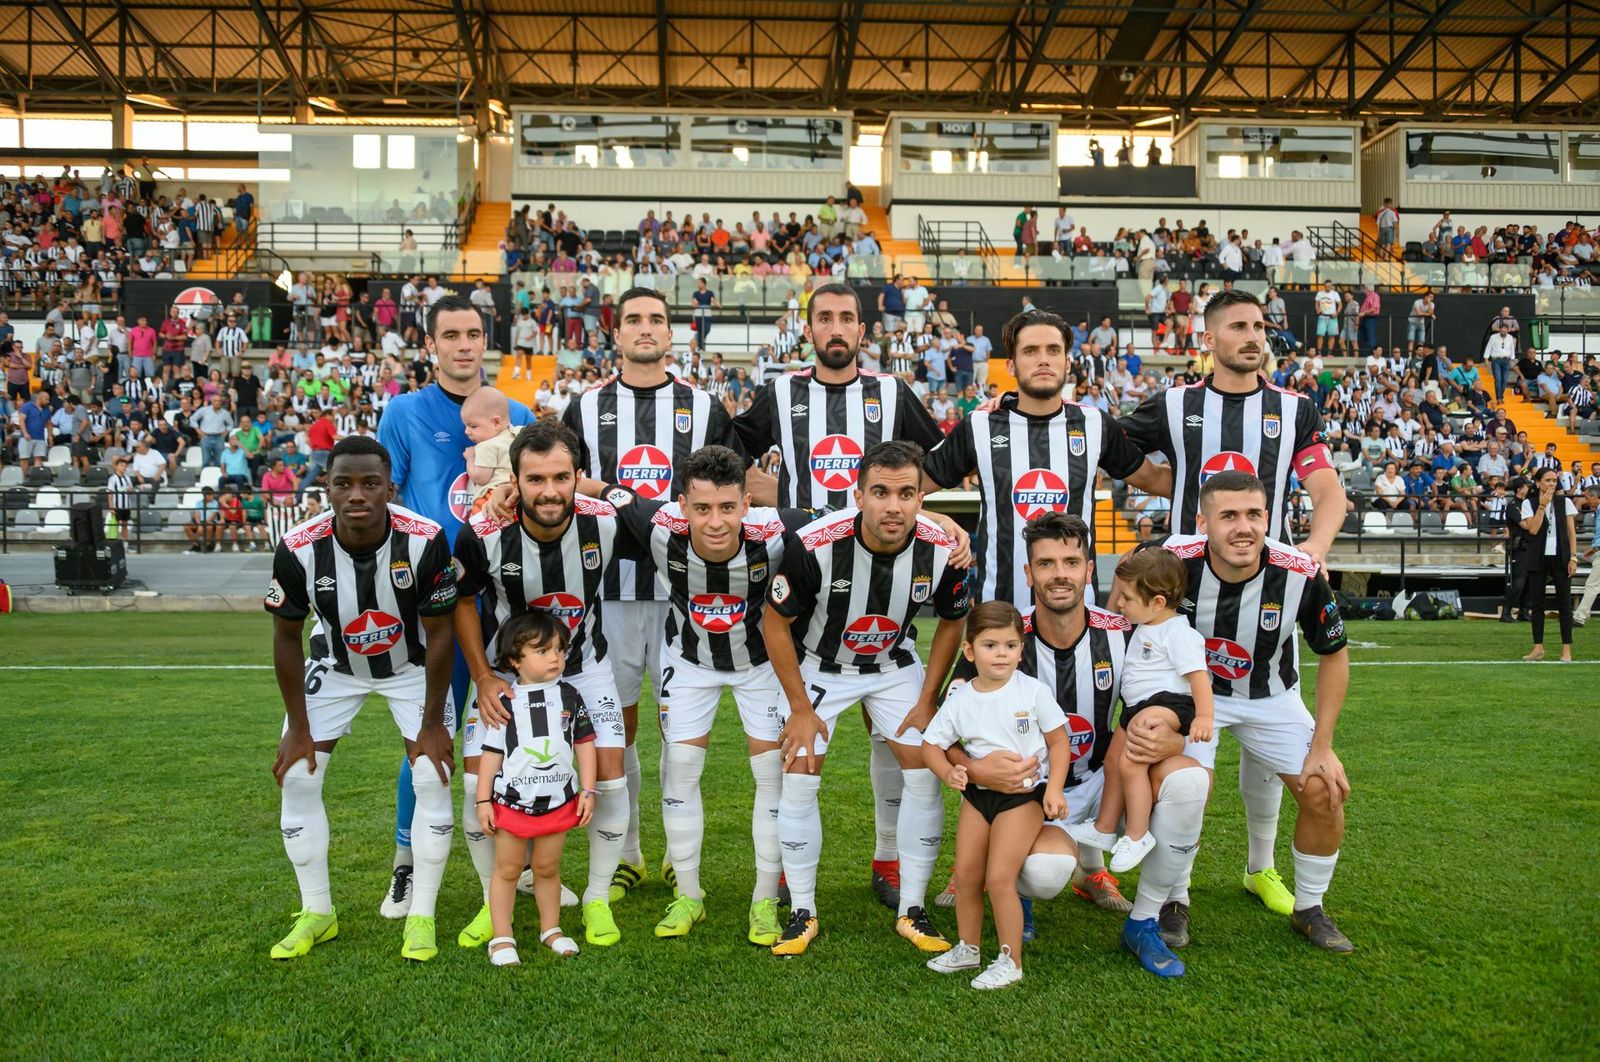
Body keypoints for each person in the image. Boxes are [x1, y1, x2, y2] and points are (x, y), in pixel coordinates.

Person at [1119, 289, 1342, 920]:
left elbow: (1327, 491)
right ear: (1209, 338)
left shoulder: (1293, 408)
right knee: (1187, 778)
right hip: (1190, 582)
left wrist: (1316, 548)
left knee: (1269, 757)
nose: (1254, 335)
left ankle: (1263, 869)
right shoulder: (1176, 403)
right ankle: (1175, 894)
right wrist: (1162, 481)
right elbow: (1111, 445)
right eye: (1239, 327)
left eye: (1259, 326)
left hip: (1269, 585)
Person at [734, 282, 949, 909]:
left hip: (884, 570)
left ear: (863, 331)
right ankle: (783, 866)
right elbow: (731, 453)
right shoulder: (780, 392)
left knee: (893, 735)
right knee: (797, 745)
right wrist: (775, 500)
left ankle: (888, 858)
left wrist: (923, 516)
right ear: (809, 329)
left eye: (847, 319)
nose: (836, 327)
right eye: (824, 317)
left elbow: (939, 459)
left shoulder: (890, 392)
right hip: (806, 568)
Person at [578, 444, 821, 945]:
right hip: (689, 663)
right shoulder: (658, 524)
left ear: (747, 504)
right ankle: (688, 894)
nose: (715, 521)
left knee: (770, 777)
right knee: (682, 771)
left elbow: (858, 515)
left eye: (728, 508)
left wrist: (941, 522)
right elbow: (601, 490)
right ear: (682, 505)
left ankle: (762, 901)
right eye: (702, 508)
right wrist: (504, 491)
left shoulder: (779, 527)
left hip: (760, 667)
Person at [1121, 470, 1353, 979]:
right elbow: (1122, 616)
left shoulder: (1299, 573)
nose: (1243, 527)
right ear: (1203, 522)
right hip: (1190, 698)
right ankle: (1172, 900)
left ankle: (1309, 907)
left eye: (1254, 514)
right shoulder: (1170, 562)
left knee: (1324, 789)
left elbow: (1334, 656)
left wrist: (1323, 744)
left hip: (1271, 696)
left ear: (1269, 518)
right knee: (1184, 788)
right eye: (1228, 516)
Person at [559, 286, 740, 905]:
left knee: (676, 728)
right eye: (633, 319)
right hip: (604, 592)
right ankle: (629, 850)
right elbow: (562, 489)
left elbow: (732, 492)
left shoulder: (704, 406)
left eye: (656, 320)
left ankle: (674, 854)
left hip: (680, 594)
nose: (645, 328)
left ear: (673, 333)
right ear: (616, 333)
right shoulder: (583, 407)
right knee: (620, 726)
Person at [762, 440, 971, 957]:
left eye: (906, 493)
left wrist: (929, 698)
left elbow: (953, 619)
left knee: (924, 770)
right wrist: (801, 709)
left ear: (922, 498)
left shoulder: (942, 548)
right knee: (800, 770)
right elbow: (774, 622)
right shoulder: (814, 545)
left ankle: (913, 908)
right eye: (880, 492)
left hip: (892, 667)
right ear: (858, 495)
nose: (893, 506)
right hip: (820, 665)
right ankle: (802, 909)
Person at [265, 437, 459, 962]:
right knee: (299, 775)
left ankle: (421, 916)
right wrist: (299, 729)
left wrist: (435, 723)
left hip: (411, 668)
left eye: (369, 483)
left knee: (430, 775)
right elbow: (285, 638)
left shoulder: (424, 539)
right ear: (325, 488)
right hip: (335, 666)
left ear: (389, 488)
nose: (356, 494)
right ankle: (317, 913)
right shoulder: (300, 545)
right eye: (343, 483)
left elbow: (441, 634)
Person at [375, 294, 533, 919]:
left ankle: (518, 867)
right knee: (427, 735)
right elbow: (392, 498)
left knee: (516, 734)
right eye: (452, 335)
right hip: (435, 602)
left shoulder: (515, 411)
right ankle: (407, 867)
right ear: (431, 344)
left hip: (502, 595)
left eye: (474, 333)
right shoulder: (404, 412)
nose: (465, 344)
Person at [452, 420, 630, 948]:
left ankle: (597, 898)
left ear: (578, 476)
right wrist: (483, 676)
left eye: (560, 477)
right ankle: (493, 899)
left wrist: (602, 488)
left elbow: (662, 517)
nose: (548, 491)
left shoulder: (607, 521)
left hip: (586, 666)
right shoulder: (484, 530)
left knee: (612, 781)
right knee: (472, 784)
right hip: (505, 673)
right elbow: (463, 603)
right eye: (533, 479)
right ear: (515, 480)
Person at [924, 308, 1169, 607]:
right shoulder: (979, 425)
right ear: (1012, 365)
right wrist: (937, 517)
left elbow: (1153, 479)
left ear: (1067, 362)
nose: (1043, 359)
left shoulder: (1095, 424)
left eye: (1053, 350)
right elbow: (904, 488)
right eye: (1030, 351)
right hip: (1000, 620)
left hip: (1079, 616)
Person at [921, 601, 1068, 991]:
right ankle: (968, 947)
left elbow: (1059, 742)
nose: (1001, 654)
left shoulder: (1033, 692)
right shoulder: (961, 699)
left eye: (1010, 645)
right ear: (970, 651)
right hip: (977, 798)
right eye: (989, 645)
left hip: (1022, 800)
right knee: (967, 875)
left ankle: (1010, 960)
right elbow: (931, 746)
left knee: (1000, 877)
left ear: (1022, 649)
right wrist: (948, 771)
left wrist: (1053, 788)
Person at [1067, 549, 1212, 872]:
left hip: (1166, 704)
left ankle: (1137, 834)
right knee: (1114, 761)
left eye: (1127, 598)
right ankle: (1104, 828)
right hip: (1136, 708)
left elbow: (1198, 677)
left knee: (1131, 764)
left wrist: (1204, 716)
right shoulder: (1146, 623)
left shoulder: (1178, 633)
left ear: (1158, 602)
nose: (1120, 603)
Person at [476, 610, 596, 965]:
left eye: (559, 649)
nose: (555, 658)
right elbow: (491, 752)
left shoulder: (570, 696)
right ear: (514, 659)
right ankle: (501, 937)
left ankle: (551, 929)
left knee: (547, 869)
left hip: (558, 801)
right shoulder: (505, 701)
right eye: (542, 651)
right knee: (508, 870)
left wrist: (587, 791)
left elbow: (585, 743)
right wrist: (483, 799)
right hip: (513, 805)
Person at [1518, 467, 1578, 662]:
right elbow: (1533, 530)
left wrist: (1574, 557)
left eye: (1554, 480)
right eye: (1548, 480)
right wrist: (1542, 506)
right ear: (1538, 482)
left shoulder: (1565, 503)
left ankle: (1566, 650)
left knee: (1564, 604)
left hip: (1561, 557)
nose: (1552, 483)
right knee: (1537, 604)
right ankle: (1538, 647)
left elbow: (1571, 532)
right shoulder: (1529, 503)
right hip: (1538, 557)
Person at [461, 386, 518, 510]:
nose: (466, 431)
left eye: (473, 426)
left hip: (491, 498)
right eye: (465, 426)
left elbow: (480, 477)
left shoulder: (486, 446)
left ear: (496, 422)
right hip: (516, 494)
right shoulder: (518, 434)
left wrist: (470, 458)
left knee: (474, 528)